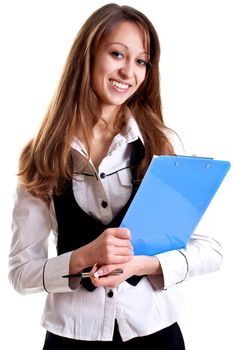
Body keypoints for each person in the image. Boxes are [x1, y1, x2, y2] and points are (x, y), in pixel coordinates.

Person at [8, 3, 223, 349]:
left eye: (141, 61)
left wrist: (143, 265)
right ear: (88, 55)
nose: (129, 72)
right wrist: (83, 257)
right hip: (72, 337)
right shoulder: (42, 156)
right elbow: (21, 273)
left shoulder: (160, 144)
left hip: (154, 334)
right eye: (117, 54)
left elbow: (209, 249)